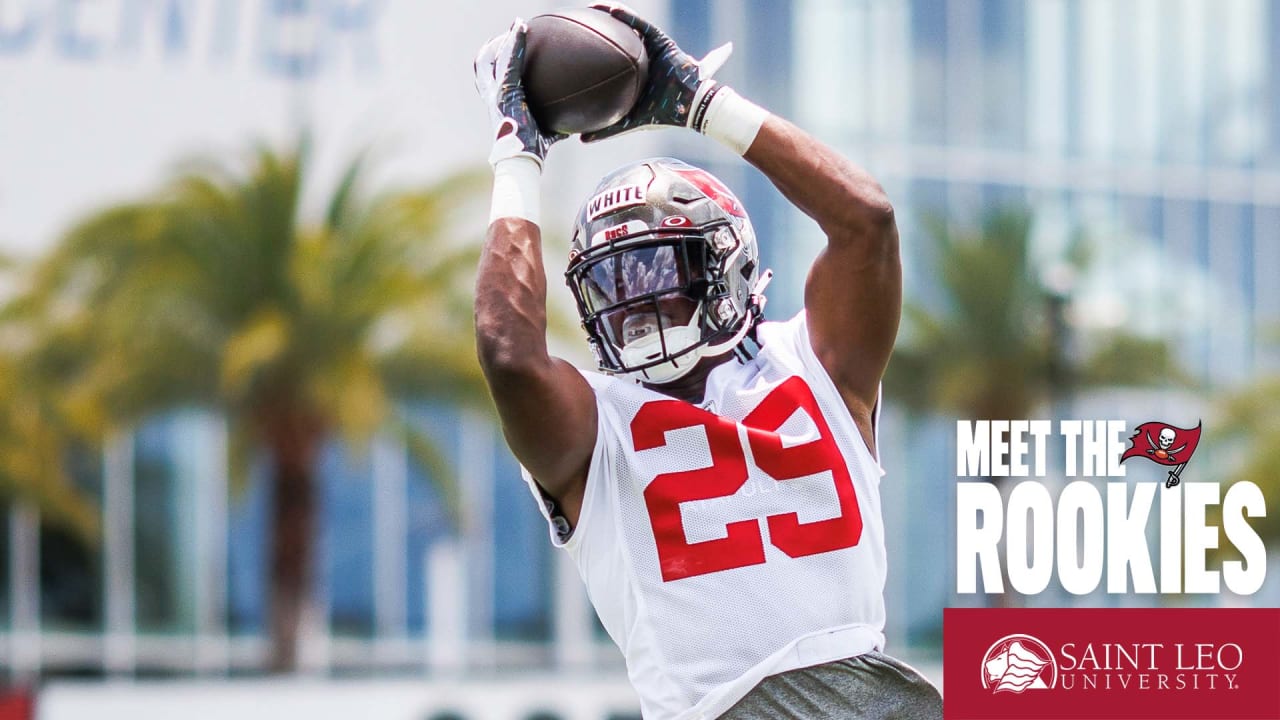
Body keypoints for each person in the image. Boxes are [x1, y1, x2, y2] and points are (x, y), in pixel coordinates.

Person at [473, 5, 942, 719]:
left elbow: (866, 219)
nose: (636, 302)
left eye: (660, 269)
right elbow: (508, 352)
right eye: (615, 282)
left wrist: (702, 104)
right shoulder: (597, 429)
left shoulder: (815, 361)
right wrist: (516, 154)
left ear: (728, 266)